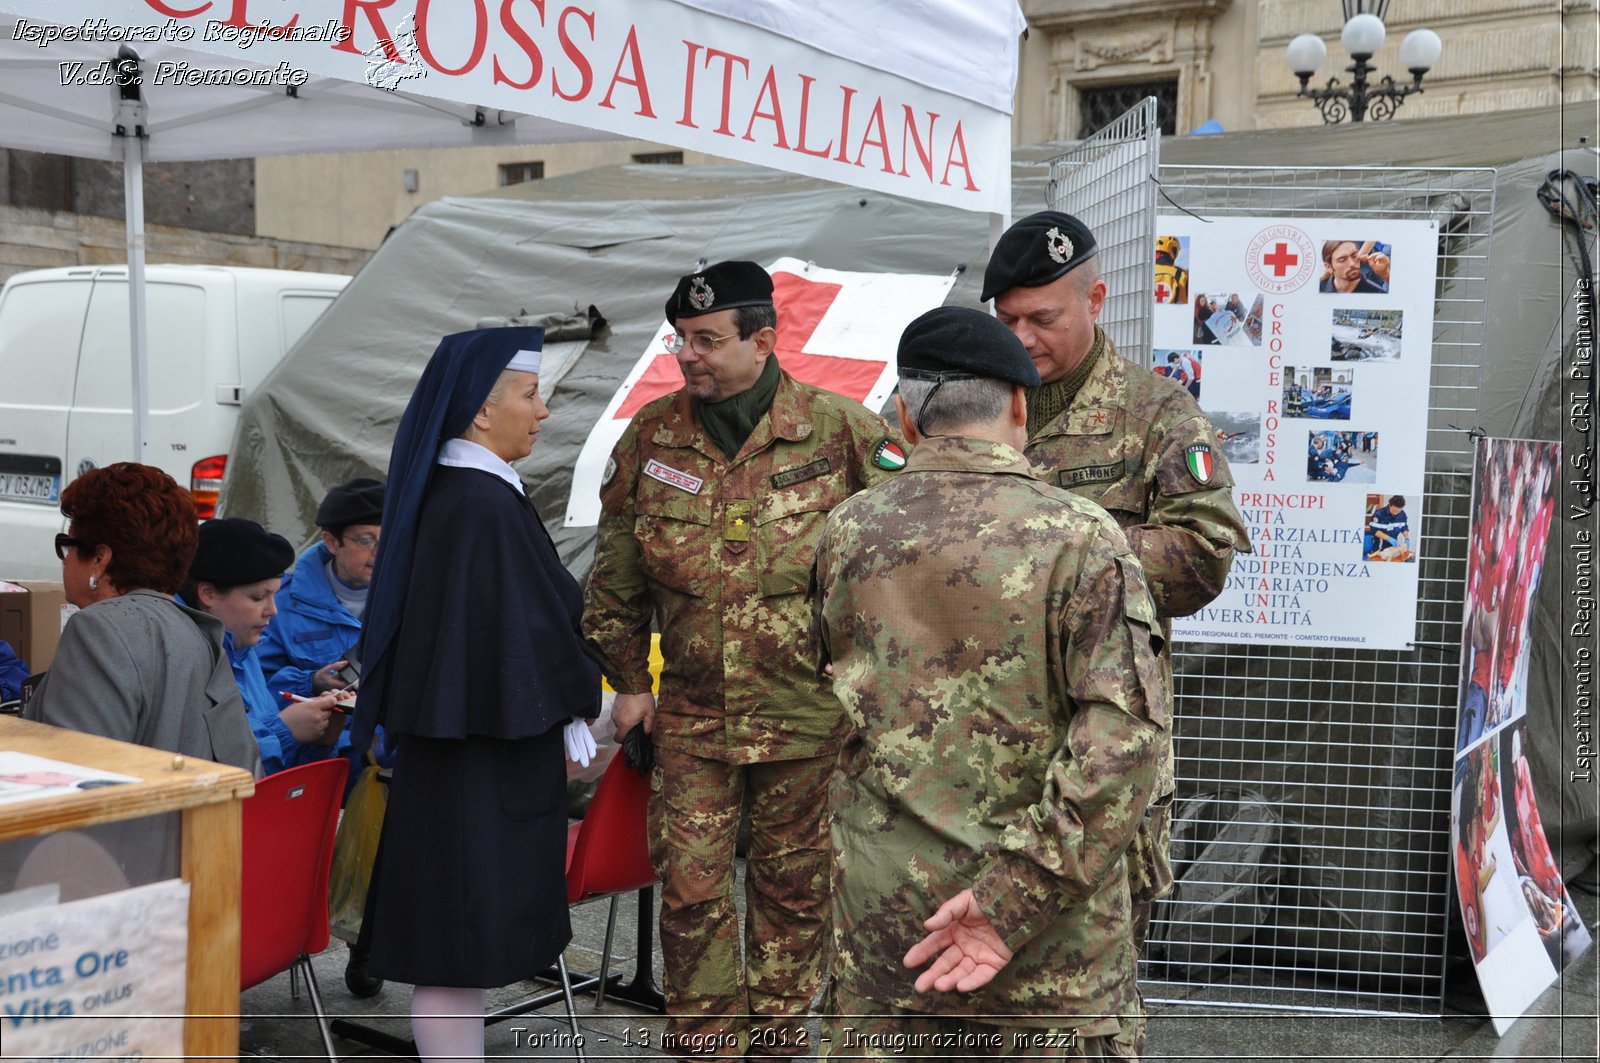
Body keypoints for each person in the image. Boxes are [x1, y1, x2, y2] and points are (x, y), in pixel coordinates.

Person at [812, 307, 1165, 1055]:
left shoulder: (846, 532)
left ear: (904, 417)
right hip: (1052, 957)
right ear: (1017, 403)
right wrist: (1012, 900)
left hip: (890, 937)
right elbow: (1122, 739)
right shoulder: (1081, 535)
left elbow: (830, 687)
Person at [583, 260, 905, 1059]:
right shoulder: (653, 436)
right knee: (691, 895)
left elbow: (899, 566)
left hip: (808, 718)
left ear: (764, 339)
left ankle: (776, 1040)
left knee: (793, 894)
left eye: (707, 340)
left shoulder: (843, 434)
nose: (689, 355)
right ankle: (706, 1045)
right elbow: (615, 577)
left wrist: (877, 684)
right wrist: (629, 683)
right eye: (681, 339)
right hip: (692, 716)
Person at [982, 211, 1250, 954]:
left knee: (1094, 966)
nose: (1024, 338)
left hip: (1103, 735)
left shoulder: (1156, 413)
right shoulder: (972, 406)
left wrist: (1059, 561)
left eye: (1044, 318)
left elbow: (1204, 550)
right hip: (977, 740)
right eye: (1008, 320)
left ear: (1096, 301)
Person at [350, 326, 600, 1063]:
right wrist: (585, 693)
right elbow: (520, 633)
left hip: (475, 750)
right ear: (480, 413)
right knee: (455, 946)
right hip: (476, 761)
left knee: (463, 942)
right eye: (530, 394)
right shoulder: (477, 505)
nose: (543, 411)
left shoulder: (470, 494)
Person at [22, 463, 259, 775]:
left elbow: (70, 775)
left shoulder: (97, 628)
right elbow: (244, 767)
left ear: (99, 559)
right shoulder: (200, 631)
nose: (65, 561)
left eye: (67, 546)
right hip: (190, 822)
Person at [180, 517, 350, 776]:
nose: (273, 610)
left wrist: (321, 739)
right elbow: (210, 769)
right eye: (258, 597)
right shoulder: (184, 658)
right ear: (208, 594)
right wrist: (287, 731)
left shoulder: (243, 649)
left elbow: (280, 775)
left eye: (274, 595)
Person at [257, 477, 385, 696]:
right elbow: (255, 685)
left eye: (389, 540)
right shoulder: (281, 606)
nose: (379, 552)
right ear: (333, 543)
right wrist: (311, 682)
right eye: (365, 541)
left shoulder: (415, 601)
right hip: (323, 728)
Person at [1319, 240, 1387, 294]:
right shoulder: (1318, 289)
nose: (1352, 263)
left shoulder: (1377, 293)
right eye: (1342, 260)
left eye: (1354, 256)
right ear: (1328, 267)